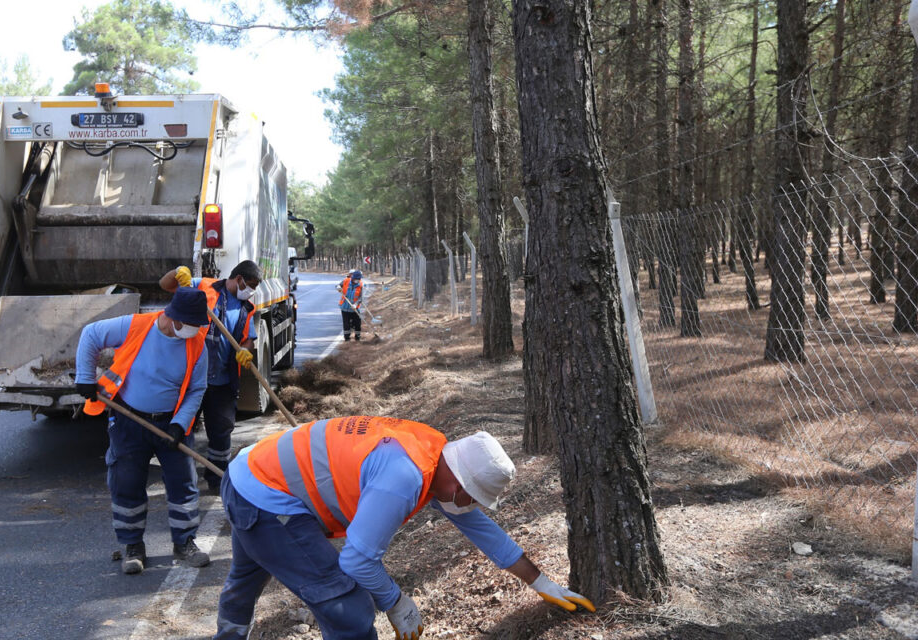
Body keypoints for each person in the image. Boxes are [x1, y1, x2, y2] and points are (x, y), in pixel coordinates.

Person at [212, 416, 595, 640]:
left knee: (246, 578)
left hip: (251, 471)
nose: (473, 507)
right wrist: (397, 603)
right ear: (459, 485)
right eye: (474, 498)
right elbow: (358, 562)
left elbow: (479, 528)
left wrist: (539, 582)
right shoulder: (404, 478)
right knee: (350, 608)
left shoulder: (432, 452)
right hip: (266, 499)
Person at [75, 287, 212, 575]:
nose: (195, 330)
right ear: (173, 317)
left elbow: (197, 389)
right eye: (191, 325)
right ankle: (132, 546)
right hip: (129, 421)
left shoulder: (197, 344)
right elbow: (90, 334)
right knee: (126, 482)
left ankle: (185, 542)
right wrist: (85, 377)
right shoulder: (135, 326)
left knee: (183, 484)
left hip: (171, 423)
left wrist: (180, 424)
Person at [159, 261, 260, 493]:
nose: (250, 289)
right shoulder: (200, 286)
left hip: (222, 381)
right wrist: (177, 273)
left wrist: (246, 350)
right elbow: (165, 285)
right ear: (238, 278)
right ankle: (179, 479)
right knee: (181, 428)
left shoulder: (246, 307)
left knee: (221, 431)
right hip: (190, 378)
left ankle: (217, 479)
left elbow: (248, 338)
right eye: (250, 284)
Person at [337, 269, 364, 342]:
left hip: (354, 309)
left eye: (359, 279)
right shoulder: (346, 281)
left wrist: (355, 304)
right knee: (346, 324)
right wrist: (338, 287)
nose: (358, 280)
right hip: (345, 307)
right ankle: (347, 339)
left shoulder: (360, 285)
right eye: (356, 279)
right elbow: (339, 285)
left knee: (357, 323)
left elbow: (360, 298)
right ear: (353, 278)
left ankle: (357, 337)